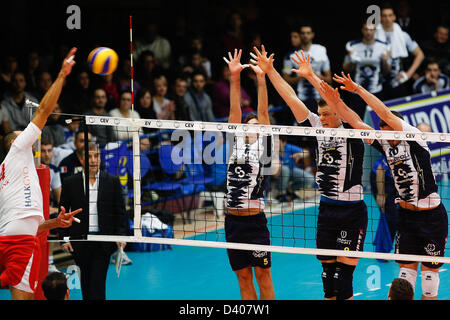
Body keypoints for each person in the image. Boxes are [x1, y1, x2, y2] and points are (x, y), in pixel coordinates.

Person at [252, 47, 367, 300]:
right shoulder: (316, 125)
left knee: (342, 278)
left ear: (339, 112)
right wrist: (270, 72)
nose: (323, 118)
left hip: (351, 212)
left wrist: (312, 76)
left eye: (327, 114)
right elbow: (291, 97)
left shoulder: (352, 127)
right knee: (327, 278)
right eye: (321, 114)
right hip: (327, 210)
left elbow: (335, 100)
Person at [329, 71, 448, 300]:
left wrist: (358, 90)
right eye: (383, 133)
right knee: (405, 275)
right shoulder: (385, 144)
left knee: (429, 281)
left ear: (399, 126)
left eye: (389, 131)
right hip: (406, 216)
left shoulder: (413, 138)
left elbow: (383, 111)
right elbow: (356, 121)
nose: (386, 138)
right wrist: (337, 102)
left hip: (432, 217)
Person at [0, 47, 81, 300]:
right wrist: (62, 75)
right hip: (19, 244)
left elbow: (25, 222)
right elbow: (44, 111)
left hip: (13, 238)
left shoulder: (9, 170)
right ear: (14, 142)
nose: (31, 140)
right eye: (20, 134)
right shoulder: (18, 150)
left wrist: (54, 224)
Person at [223, 48, 276, 300]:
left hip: (254, 222)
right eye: (247, 126)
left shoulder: (263, 147)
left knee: (263, 276)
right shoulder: (235, 146)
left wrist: (261, 79)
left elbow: (262, 113)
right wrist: (234, 77)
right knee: (243, 277)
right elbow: (235, 111)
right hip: (232, 222)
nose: (250, 128)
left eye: (255, 127)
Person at [59, 142, 129, 300]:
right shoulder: (71, 182)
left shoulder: (111, 181)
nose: (93, 159)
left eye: (96, 155)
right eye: (88, 156)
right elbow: (62, 212)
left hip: (103, 240)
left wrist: (121, 236)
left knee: (97, 283)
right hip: (80, 240)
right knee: (86, 283)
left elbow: (120, 212)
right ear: (81, 158)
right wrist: (64, 239)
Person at [375, 3, 425, 99]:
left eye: (390, 15)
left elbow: (420, 54)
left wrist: (408, 74)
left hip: (398, 81)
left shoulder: (403, 35)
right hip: (378, 83)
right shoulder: (373, 35)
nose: (387, 18)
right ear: (380, 18)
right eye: (384, 16)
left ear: (394, 17)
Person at [343, 21, 391, 119]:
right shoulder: (352, 46)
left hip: (376, 90)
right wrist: (352, 60)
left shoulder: (384, 46)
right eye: (366, 29)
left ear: (375, 31)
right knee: (357, 119)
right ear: (362, 30)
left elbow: (387, 71)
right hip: (357, 90)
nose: (368, 32)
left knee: (379, 119)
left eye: (371, 29)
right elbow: (345, 69)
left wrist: (384, 61)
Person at [281, 23, 332, 115]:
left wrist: (313, 74)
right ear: (300, 35)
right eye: (303, 33)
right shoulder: (290, 56)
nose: (305, 35)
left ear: (312, 34)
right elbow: (284, 80)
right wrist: (303, 76)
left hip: (320, 98)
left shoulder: (321, 50)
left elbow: (329, 79)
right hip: (301, 99)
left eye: (308, 33)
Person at [273, 135, 315, 202]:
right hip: (276, 174)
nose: (275, 144)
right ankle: (281, 194)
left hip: (291, 171)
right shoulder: (271, 150)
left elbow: (306, 153)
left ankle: (291, 190)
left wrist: (300, 155)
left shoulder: (288, 147)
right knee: (285, 169)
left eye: (277, 142)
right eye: (274, 142)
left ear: (284, 143)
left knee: (310, 179)